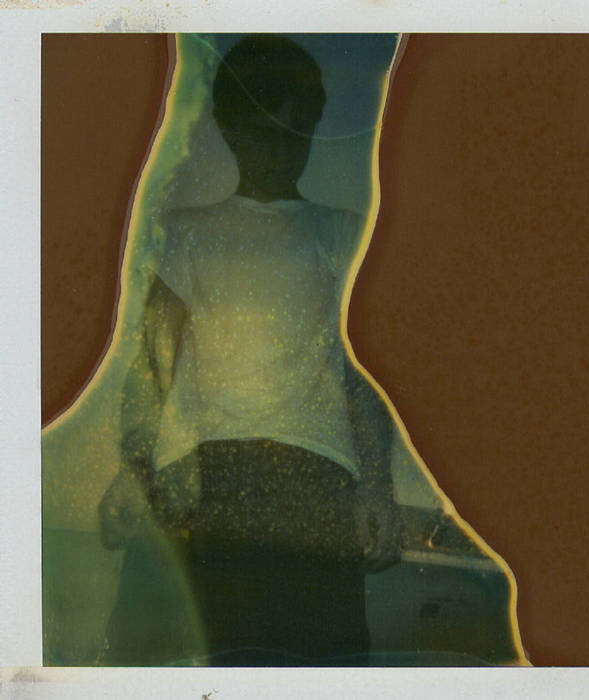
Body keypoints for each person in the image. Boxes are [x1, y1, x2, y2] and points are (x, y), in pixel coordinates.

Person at [97, 34, 401, 667]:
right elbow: (152, 363)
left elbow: (367, 376)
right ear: (231, 128)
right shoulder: (186, 232)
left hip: (315, 481)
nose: (282, 146)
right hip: (203, 477)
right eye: (264, 129)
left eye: (297, 128)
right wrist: (133, 469)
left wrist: (377, 486)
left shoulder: (342, 234)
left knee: (315, 668)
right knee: (178, 662)